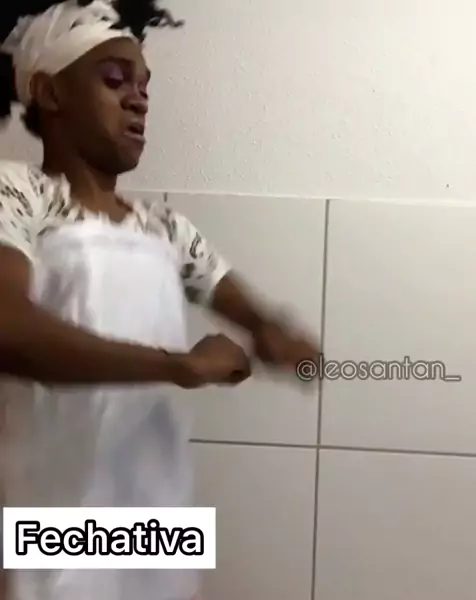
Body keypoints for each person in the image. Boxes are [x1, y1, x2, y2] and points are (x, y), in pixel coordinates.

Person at [0, 1, 319, 599]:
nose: (139, 100)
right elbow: (9, 330)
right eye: (114, 79)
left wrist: (274, 333)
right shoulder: (19, 195)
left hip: (156, 526)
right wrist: (178, 366)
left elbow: (247, 309)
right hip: (48, 527)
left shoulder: (164, 228)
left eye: (145, 86)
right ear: (49, 92)